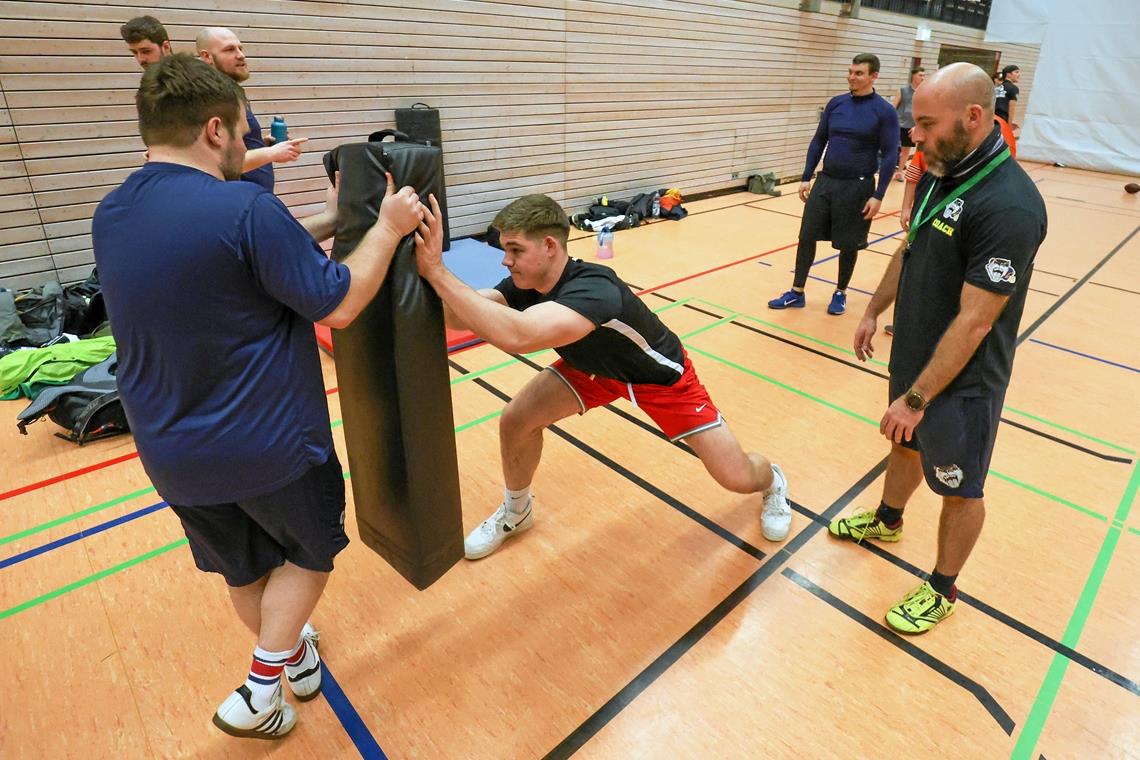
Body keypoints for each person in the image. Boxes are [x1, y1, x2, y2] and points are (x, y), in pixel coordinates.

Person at [91, 53, 425, 739]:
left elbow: (226, 259)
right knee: (310, 553)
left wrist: (333, 218)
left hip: (170, 453)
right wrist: (388, 228)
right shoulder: (246, 206)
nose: (248, 144)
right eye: (243, 132)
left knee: (242, 567)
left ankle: (295, 659)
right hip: (270, 444)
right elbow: (336, 305)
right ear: (215, 129)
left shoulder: (113, 213)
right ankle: (261, 683)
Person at [411, 193, 792, 558]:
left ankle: (772, 480)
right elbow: (462, 316)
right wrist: (417, 274)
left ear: (549, 246)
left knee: (735, 476)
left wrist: (438, 271)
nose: (505, 262)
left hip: (656, 379)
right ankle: (517, 512)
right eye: (505, 250)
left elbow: (518, 335)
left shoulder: (595, 288)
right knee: (517, 421)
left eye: (515, 250)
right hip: (591, 368)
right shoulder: (528, 283)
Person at [830, 62, 1047, 634]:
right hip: (917, 359)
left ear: (974, 117)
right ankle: (889, 518)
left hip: (961, 381)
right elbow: (909, 249)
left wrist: (919, 397)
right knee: (904, 446)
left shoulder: (1010, 206)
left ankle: (943, 588)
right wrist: (873, 310)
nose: (915, 137)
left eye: (926, 123)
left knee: (958, 487)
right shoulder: (943, 172)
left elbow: (976, 322)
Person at [769, 53, 900, 317]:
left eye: (859, 73)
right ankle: (797, 292)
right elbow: (819, 140)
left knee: (848, 243)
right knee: (806, 236)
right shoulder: (836, 103)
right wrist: (807, 176)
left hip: (858, 186)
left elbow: (889, 155)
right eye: (850, 72)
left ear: (873, 76)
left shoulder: (884, 111)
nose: (852, 77)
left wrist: (879, 195)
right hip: (826, 181)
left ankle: (840, 292)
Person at [196, 27, 306, 192]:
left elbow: (236, 146)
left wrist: (264, 144)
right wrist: (273, 153)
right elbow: (222, 163)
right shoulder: (212, 98)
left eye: (240, 48)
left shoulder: (232, 93)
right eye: (230, 50)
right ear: (206, 56)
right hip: (239, 201)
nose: (241, 55)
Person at [891, 68, 925, 182]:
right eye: (920, 75)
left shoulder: (923, 92)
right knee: (892, 148)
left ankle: (900, 172)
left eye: (923, 75)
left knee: (906, 151)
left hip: (911, 127)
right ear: (913, 76)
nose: (923, 78)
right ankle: (887, 169)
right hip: (898, 125)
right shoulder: (902, 90)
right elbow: (893, 107)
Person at [994, 64, 1021, 129]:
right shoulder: (1013, 88)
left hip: (992, 120)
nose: (1019, 74)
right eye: (1016, 72)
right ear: (1008, 74)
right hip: (1002, 122)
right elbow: (1011, 109)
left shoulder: (996, 88)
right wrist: (1009, 126)